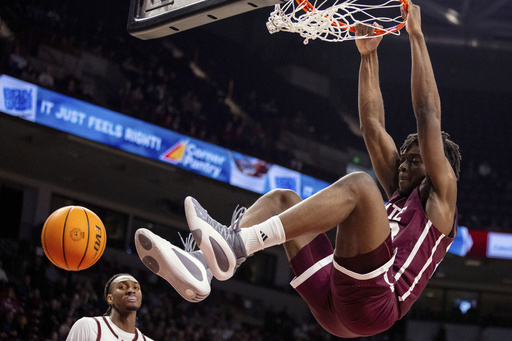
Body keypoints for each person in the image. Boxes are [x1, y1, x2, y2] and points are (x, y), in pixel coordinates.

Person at [134, 0, 461, 337]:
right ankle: (201, 266)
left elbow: (427, 117)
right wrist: (368, 57)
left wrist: (417, 36)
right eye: (404, 157)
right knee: (282, 200)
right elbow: (373, 127)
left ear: (440, 166)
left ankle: (238, 243)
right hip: (337, 301)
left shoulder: (441, 198)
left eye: (416, 159)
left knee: (362, 186)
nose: (404, 164)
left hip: (375, 303)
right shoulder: (398, 189)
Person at [66, 273, 153, 341]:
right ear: (110, 299)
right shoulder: (87, 326)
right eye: (122, 287)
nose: (131, 291)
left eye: (136, 287)